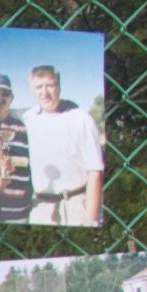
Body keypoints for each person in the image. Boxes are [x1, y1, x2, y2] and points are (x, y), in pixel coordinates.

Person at [20, 62, 103, 224]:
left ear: (59, 86)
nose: (44, 93)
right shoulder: (27, 119)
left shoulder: (81, 119)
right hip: (40, 208)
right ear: (32, 89)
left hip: (76, 205)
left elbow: (95, 172)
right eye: (39, 87)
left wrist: (91, 219)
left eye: (50, 85)